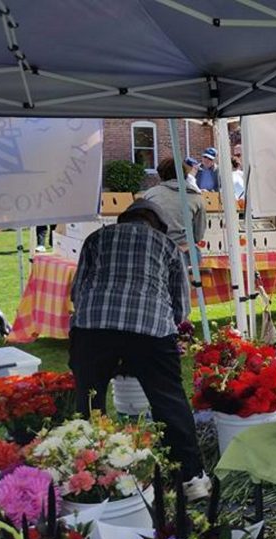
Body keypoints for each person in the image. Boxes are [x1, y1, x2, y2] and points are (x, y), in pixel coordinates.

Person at [68, 200, 210, 500]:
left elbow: (78, 290)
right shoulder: (166, 245)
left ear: (124, 220)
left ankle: (87, 477)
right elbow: (180, 305)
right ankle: (191, 479)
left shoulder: (96, 238)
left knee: (88, 400)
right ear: (157, 225)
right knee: (169, 401)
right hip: (150, 330)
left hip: (93, 326)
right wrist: (166, 328)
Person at [139, 157, 206, 257]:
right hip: (184, 251)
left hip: (156, 250)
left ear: (161, 175)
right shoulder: (196, 197)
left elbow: (142, 227)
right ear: (184, 174)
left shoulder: (149, 195)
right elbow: (198, 235)